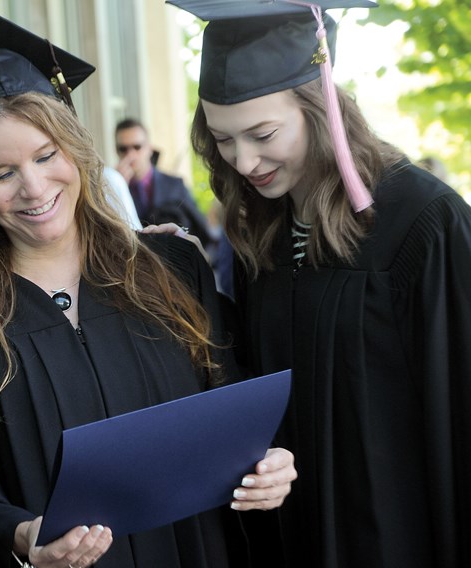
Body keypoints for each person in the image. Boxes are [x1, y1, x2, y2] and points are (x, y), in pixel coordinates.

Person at [0, 6, 297, 568]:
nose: (35, 187)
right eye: (2, 173)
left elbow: (238, 410)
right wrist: (19, 534)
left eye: (47, 156)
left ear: (76, 151)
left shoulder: (169, 268)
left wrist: (273, 463)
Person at [172, 0, 471, 566]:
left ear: (321, 105)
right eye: (223, 139)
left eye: (262, 133)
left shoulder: (422, 222)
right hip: (295, 534)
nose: (242, 160)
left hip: (397, 534)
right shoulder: (266, 228)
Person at [115, 118, 212, 241]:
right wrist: (116, 188)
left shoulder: (174, 185)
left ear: (149, 148)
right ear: (116, 151)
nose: (131, 155)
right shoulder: (115, 189)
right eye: (123, 149)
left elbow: (199, 227)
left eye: (137, 147)